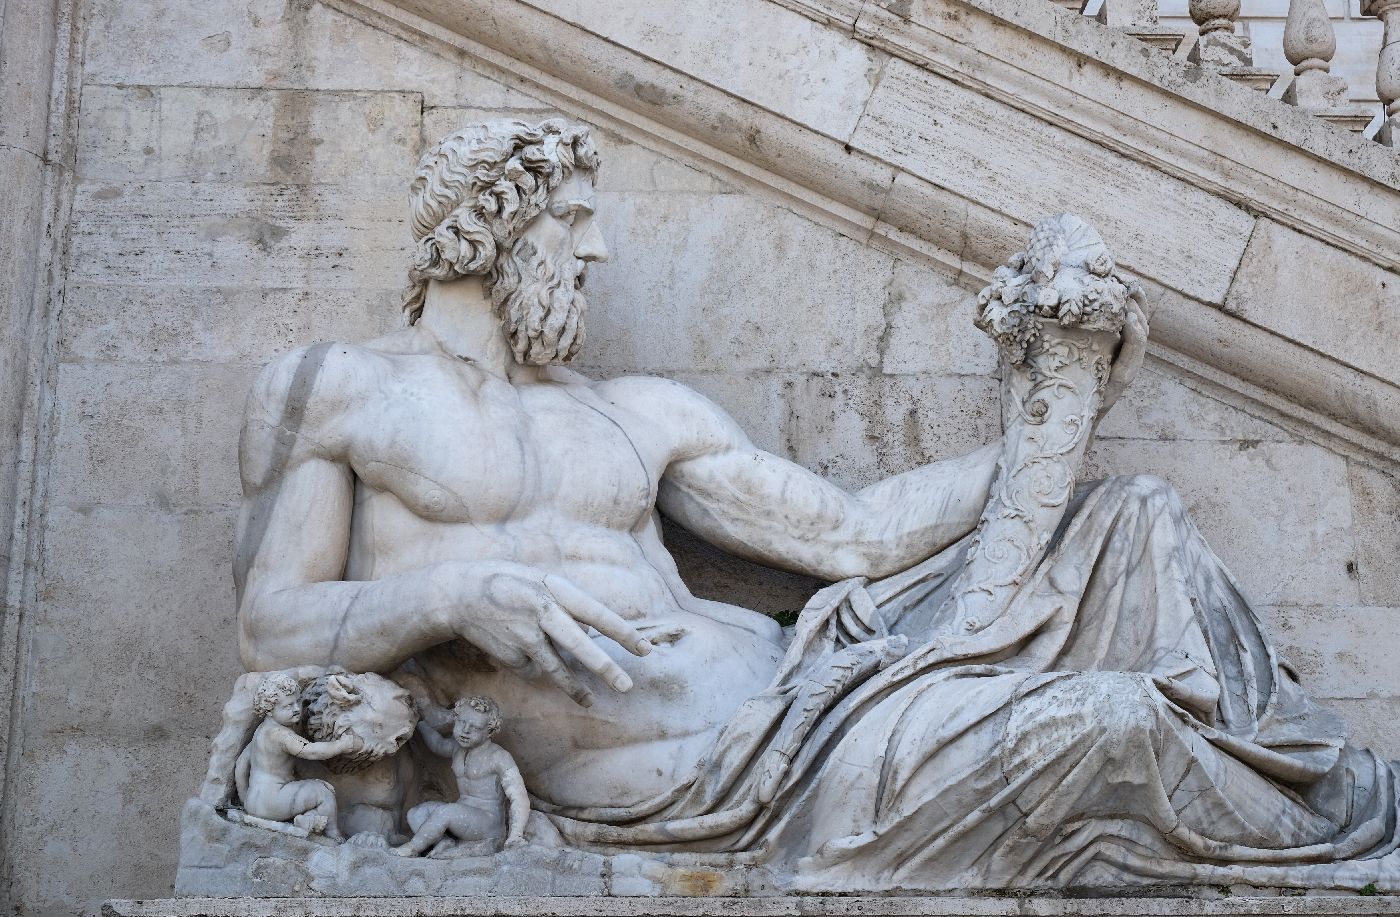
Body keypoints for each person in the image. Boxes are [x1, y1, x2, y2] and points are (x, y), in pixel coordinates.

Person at [228, 118, 1400, 890]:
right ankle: (1343, 844)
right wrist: (452, 593)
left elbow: (854, 534)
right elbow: (270, 623)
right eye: (575, 221)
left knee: (1128, 513)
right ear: (496, 222)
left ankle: (1328, 802)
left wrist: (1055, 407)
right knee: (1111, 725)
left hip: (812, 693)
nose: (597, 251)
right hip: (700, 778)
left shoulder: (636, 411)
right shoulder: (340, 391)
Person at [391, 696, 528, 856]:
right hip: (463, 813)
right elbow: (437, 744)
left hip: (487, 822)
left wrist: (515, 835)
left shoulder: (498, 757)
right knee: (415, 814)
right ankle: (444, 842)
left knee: (446, 812)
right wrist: (418, 722)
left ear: (489, 731)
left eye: (475, 728)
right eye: (462, 722)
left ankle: (413, 848)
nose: (465, 730)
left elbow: (519, 797)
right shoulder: (458, 748)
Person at [235, 674, 358, 839]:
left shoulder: (260, 733)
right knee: (323, 792)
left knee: (311, 787)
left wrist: (246, 800)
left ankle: (307, 820)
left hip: (254, 802)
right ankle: (333, 835)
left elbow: (241, 766)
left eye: (297, 702)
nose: (296, 709)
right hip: (273, 800)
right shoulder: (281, 735)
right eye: (287, 706)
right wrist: (341, 745)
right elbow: (311, 751)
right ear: (270, 710)